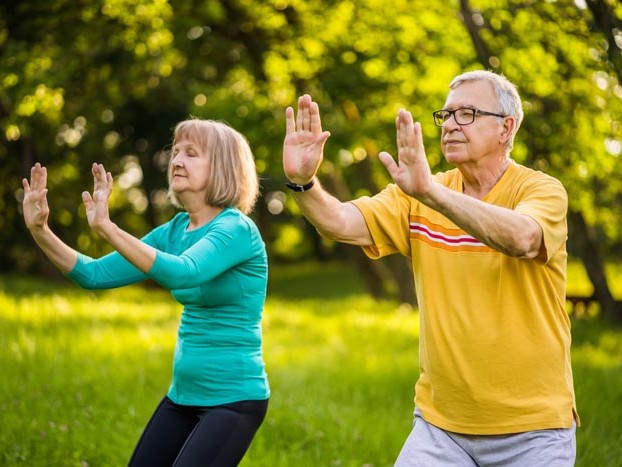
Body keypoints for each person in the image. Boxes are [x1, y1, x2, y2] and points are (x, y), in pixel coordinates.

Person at [282, 70, 578, 466]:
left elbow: (523, 239)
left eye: (468, 114)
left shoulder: (540, 189)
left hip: (534, 430)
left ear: (506, 127)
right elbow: (339, 222)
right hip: (441, 428)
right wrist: (305, 183)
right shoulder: (418, 193)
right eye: (447, 115)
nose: (452, 124)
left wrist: (432, 194)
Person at [22, 118, 270, 467]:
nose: (177, 160)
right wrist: (41, 230)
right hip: (183, 395)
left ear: (223, 168)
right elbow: (93, 274)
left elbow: (185, 273)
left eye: (192, 153)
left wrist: (108, 228)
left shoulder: (236, 229)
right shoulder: (175, 230)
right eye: (176, 151)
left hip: (233, 400)